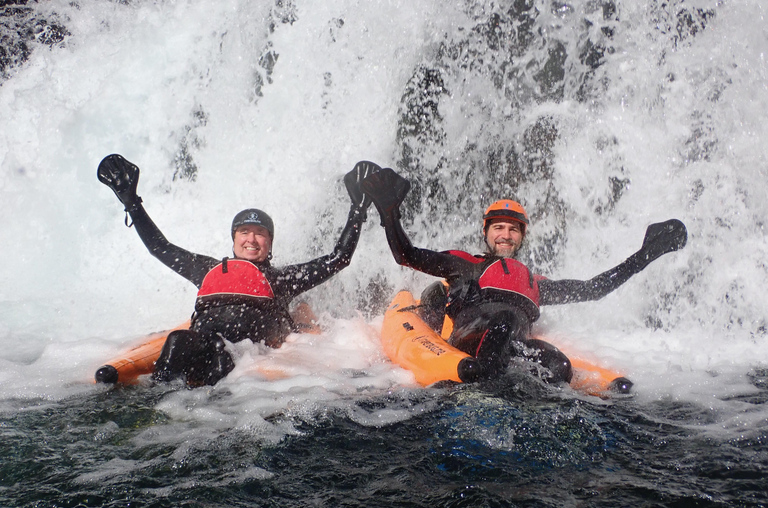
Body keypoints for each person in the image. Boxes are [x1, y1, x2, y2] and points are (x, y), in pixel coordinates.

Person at [361, 167, 687, 386]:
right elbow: (407, 254)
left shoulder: (534, 282)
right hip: (473, 337)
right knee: (502, 319)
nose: (506, 235)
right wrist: (390, 215)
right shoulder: (465, 264)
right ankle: (479, 392)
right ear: (486, 232)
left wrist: (646, 255)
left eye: (513, 229)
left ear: (522, 237)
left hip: (514, 344)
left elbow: (594, 288)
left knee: (559, 366)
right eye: (498, 228)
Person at [95, 154, 377, 386]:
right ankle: (157, 409)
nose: (251, 239)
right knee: (178, 340)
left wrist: (357, 209)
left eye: (260, 234)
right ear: (233, 239)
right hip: (203, 343)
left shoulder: (282, 279)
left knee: (221, 359)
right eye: (244, 232)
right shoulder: (206, 269)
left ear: (270, 244)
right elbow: (160, 247)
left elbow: (338, 259)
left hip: (246, 355)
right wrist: (131, 202)